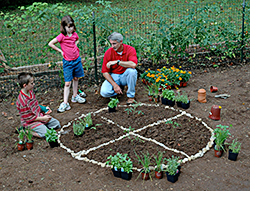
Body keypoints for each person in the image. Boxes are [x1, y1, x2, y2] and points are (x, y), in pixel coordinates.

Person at [48, 15, 85, 113]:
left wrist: (75, 46)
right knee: (68, 83)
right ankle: (65, 102)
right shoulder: (61, 36)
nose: (70, 29)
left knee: (76, 78)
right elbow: (50, 43)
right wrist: (60, 51)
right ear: (64, 27)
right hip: (68, 62)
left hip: (76, 59)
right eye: (68, 27)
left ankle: (75, 96)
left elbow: (77, 39)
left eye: (72, 26)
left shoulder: (74, 34)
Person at [16, 72, 61, 138]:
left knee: (57, 124)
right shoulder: (22, 101)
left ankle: (42, 127)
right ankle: (26, 130)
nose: (33, 84)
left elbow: (35, 105)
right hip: (30, 122)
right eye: (31, 83)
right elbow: (28, 119)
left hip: (38, 116)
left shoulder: (30, 92)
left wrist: (44, 109)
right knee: (47, 134)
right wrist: (43, 118)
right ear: (25, 85)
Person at [100, 32, 138, 104]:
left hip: (125, 75)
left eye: (114, 43)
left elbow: (133, 64)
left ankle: (131, 96)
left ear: (121, 42)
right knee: (104, 92)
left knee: (132, 71)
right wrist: (115, 85)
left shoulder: (130, 49)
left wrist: (118, 62)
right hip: (114, 76)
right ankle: (118, 92)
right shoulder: (108, 52)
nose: (112, 46)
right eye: (111, 43)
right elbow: (105, 72)